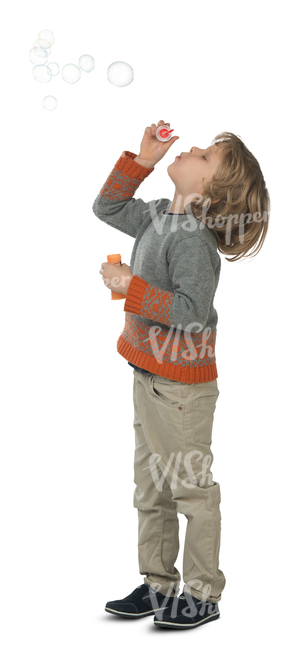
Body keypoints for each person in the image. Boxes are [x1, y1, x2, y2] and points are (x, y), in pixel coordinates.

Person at [93, 120, 271, 630]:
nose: (191, 147)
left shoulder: (193, 240)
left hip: (181, 390)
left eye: (206, 155)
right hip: (147, 374)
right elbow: (106, 208)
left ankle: (203, 594)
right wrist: (143, 161)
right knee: (149, 488)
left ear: (210, 192)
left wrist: (132, 288)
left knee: (191, 490)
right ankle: (157, 585)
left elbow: (192, 308)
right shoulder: (157, 216)